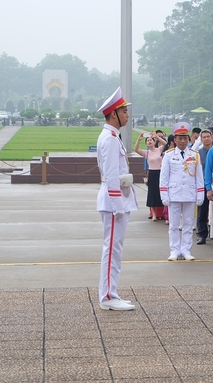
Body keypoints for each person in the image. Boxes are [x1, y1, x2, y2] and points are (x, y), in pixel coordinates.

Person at [95, 87, 138, 311]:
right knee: (112, 249)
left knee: (115, 248)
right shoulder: (110, 139)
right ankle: (108, 296)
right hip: (114, 201)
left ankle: (112, 292)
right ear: (114, 113)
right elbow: (111, 175)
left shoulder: (112, 136)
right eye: (124, 111)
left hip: (117, 198)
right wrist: (117, 205)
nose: (128, 115)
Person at [160, 123, 205, 261]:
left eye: (185, 138)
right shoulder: (168, 155)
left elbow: (199, 177)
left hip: (189, 193)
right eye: (180, 138)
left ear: (188, 139)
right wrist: (164, 194)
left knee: (188, 224)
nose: (183, 141)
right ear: (175, 139)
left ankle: (186, 250)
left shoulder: (194, 155)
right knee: (173, 225)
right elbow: (164, 177)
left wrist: (200, 193)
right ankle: (174, 250)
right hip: (174, 193)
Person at [134, 132, 167, 221]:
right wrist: (138, 139)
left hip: (160, 172)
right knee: (152, 194)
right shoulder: (146, 153)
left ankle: (164, 213)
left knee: (162, 192)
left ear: (154, 141)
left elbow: (165, 144)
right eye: (148, 141)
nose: (149, 141)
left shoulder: (159, 149)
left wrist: (157, 137)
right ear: (146, 144)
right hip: (152, 173)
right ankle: (154, 214)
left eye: (151, 140)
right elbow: (136, 149)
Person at [196, 129, 213, 243]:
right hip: (202, 184)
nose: (206, 139)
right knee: (202, 210)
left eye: (208, 136)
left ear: (212, 138)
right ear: (201, 139)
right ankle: (201, 234)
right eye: (204, 137)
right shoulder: (197, 153)